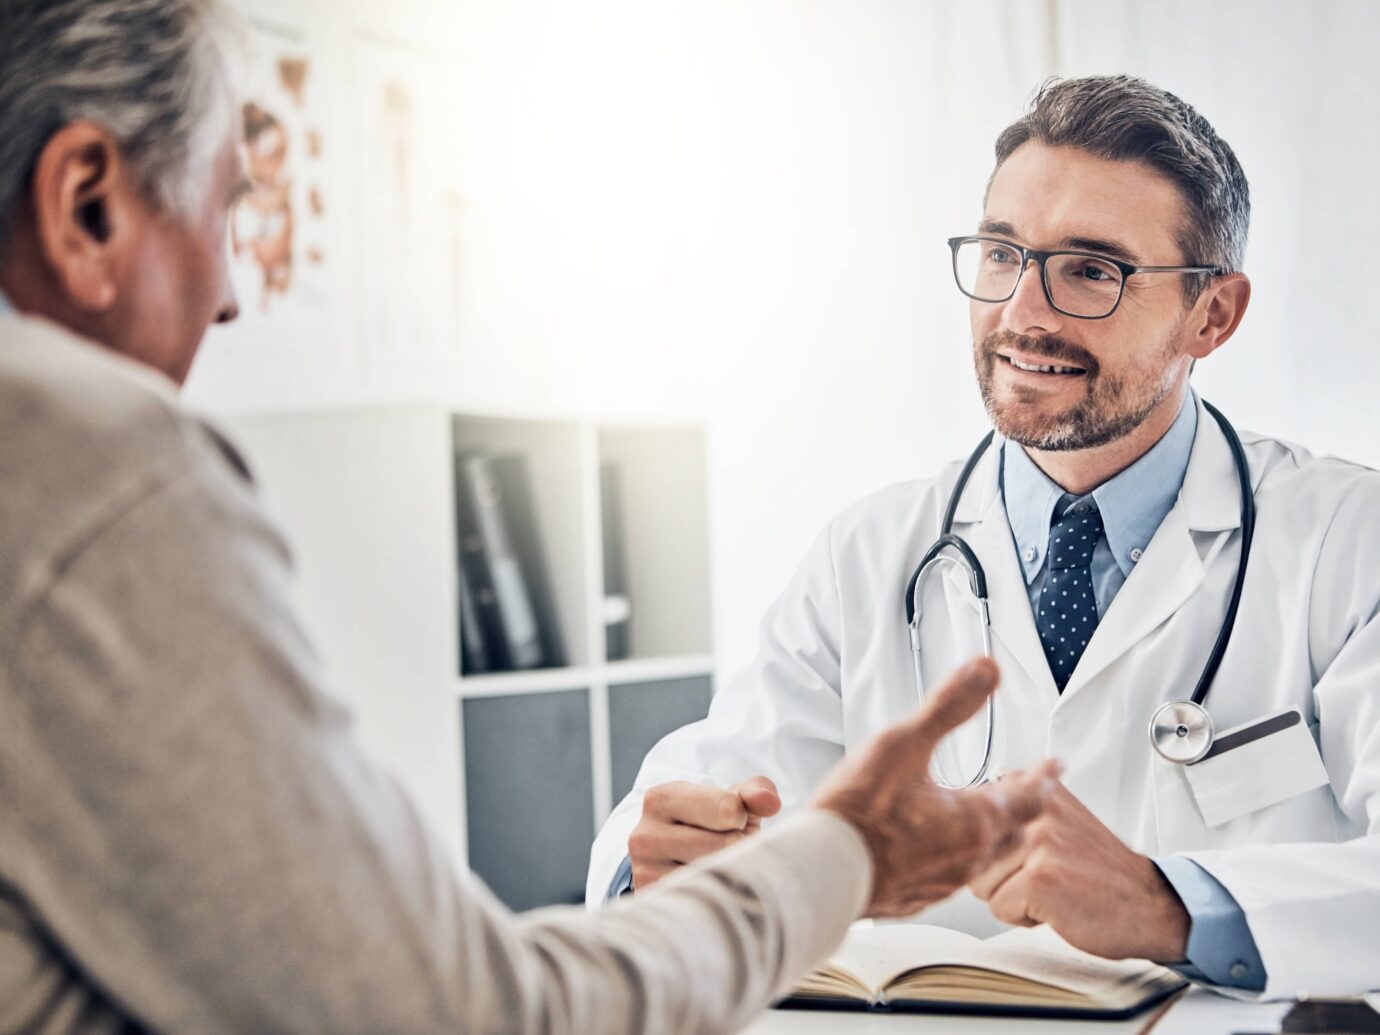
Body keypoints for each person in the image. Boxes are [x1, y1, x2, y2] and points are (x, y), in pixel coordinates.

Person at [0, 2, 1059, 1033]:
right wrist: (843, 856)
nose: (231, 295)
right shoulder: (85, 459)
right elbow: (463, 1013)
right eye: (226, 206)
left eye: (1093, 271)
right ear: (86, 204)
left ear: (1218, 314)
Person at [590, 74, 1380, 1001]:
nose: (1022, 314)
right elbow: (695, 796)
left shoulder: (1345, 542)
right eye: (1004, 255)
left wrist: (1167, 903)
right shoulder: (871, 552)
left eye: (1092, 269)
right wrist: (656, 864)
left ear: (1213, 314)